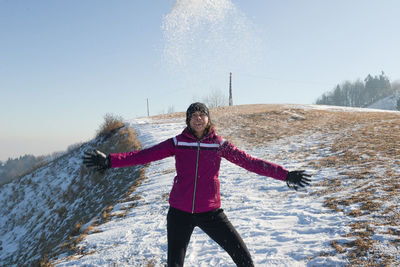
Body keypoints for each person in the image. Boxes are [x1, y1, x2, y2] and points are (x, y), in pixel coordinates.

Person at [83, 102, 311, 267]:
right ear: (188, 121)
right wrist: (111, 161)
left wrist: (285, 175)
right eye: (193, 115)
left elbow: (251, 163)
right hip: (179, 214)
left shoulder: (220, 145)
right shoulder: (177, 142)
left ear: (208, 119)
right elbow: (145, 155)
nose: (198, 118)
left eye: (202, 114)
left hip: (211, 213)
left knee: (244, 259)